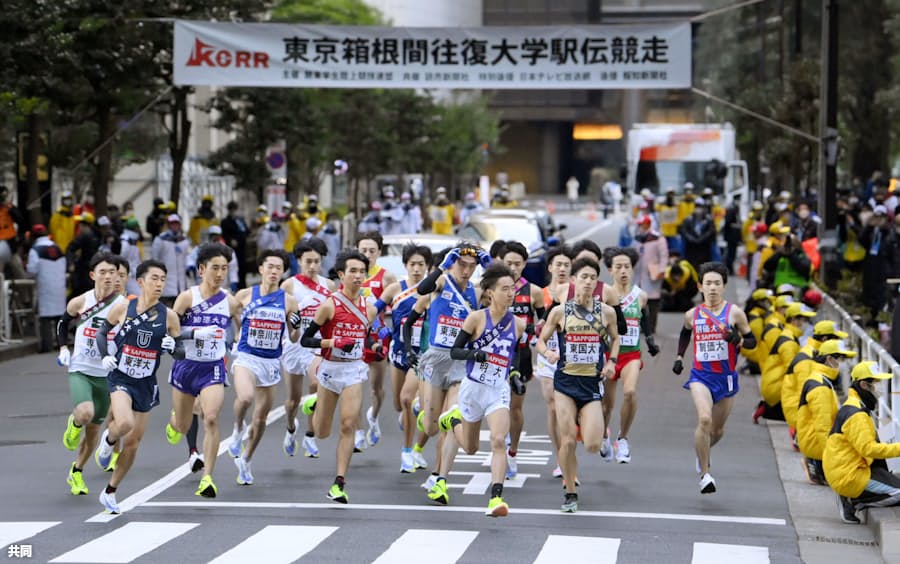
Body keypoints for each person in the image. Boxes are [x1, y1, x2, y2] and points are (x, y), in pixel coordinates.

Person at [92, 260, 182, 513]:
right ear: (141, 282)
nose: (159, 284)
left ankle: (110, 492)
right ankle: (108, 439)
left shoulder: (170, 316)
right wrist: (104, 356)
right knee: (124, 423)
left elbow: (181, 351)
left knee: (132, 444)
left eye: (163, 279)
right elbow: (102, 332)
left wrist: (173, 348)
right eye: (154, 278)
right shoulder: (124, 307)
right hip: (121, 376)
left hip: (146, 382)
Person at [403, 242, 489, 505]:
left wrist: (490, 263)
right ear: (453, 262)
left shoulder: (476, 292)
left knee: (451, 418)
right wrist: (410, 349)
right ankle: (422, 409)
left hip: (460, 362)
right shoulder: (441, 282)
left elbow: (500, 288)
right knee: (429, 427)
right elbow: (421, 291)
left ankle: (440, 479)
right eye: (462, 264)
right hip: (435, 359)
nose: (466, 270)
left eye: (471, 266)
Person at [440, 262, 526, 517]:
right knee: (470, 447)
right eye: (504, 289)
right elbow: (455, 351)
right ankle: (454, 419)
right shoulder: (476, 318)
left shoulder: (518, 324)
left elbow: (516, 355)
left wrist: (515, 374)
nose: (510, 294)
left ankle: (495, 499)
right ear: (490, 292)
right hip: (473, 388)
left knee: (499, 439)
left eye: (512, 289)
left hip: (497, 389)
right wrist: (474, 354)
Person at [536, 257, 620, 513]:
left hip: (591, 385)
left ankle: (586, 426)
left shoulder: (606, 312)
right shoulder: (560, 311)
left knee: (593, 444)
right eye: (583, 277)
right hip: (565, 383)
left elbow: (616, 339)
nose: (588, 282)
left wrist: (612, 362)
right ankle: (570, 491)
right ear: (574, 280)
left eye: (592, 278)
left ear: (597, 283)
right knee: (568, 441)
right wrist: (547, 353)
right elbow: (541, 340)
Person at [299, 249, 381, 504]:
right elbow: (306, 339)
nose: (358, 276)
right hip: (330, 369)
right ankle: (313, 405)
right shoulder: (329, 305)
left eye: (362, 272)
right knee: (322, 432)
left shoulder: (369, 310)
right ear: (341, 275)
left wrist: (375, 346)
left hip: (353, 371)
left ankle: (339, 483)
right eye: (353, 271)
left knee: (347, 424)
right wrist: (333, 341)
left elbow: (365, 336)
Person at [164, 243, 242, 498]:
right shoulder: (187, 298)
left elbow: (240, 327)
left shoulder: (229, 302)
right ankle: (174, 423)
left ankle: (207, 478)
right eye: (215, 268)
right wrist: (195, 333)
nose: (220, 274)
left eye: (224, 269)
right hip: (186, 366)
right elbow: (170, 330)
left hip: (213, 368)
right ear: (201, 269)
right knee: (184, 423)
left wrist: (238, 343)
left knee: (210, 417)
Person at [672, 262, 756, 494]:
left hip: (726, 379)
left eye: (717, 283)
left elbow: (752, 341)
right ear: (700, 286)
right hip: (701, 377)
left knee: (717, 431)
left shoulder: (735, 313)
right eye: (708, 283)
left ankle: (703, 453)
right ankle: (705, 474)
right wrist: (679, 356)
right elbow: (685, 333)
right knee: (705, 420)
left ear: (724, 286)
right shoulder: (692, 314)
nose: (712, 288)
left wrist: (736, 340)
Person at [226, 250, 301, 485]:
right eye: (269, 266)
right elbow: (232, 316)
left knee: (260, 419)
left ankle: (246, 460)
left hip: (270, 362)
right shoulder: (244, 295)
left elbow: (295, 337)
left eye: (278, 268)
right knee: (245, 398)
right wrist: (238, 332)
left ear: (283, 272)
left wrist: (296, 326)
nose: (273, 271)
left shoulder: (289, 301)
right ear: (261, 269)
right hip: (247, 357)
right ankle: (237, 428)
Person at [57, 253, 126, 496]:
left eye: (113, 273)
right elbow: (63, 323)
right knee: (85, 413)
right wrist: (64, 348)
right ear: (93, 275)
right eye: (103, 272)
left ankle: (76, 471)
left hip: (106, 375)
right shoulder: (81, 301)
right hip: (81, 370)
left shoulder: (123, 306)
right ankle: (74, 422)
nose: (108, 277)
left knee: (94, 432)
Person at [372, 243, 433, 473]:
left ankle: (408, 451)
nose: (416, 269)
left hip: (424, 355)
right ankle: (408, 420)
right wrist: (380, 330)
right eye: (412, 264)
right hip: (398, 352)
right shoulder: (395, 289)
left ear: (428, 267)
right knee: (400, 404)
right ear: (405, 265)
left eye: (421, 264)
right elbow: (373, 312)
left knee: (410, 400)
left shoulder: (435, 289)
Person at [601, 247, 660, 464]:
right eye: (618, 267)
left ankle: (622, 438)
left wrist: (650, 341)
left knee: (630, 392)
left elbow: (644, 319)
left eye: (627, 266)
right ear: (610, 270)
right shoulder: (606, 295)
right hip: (609, 355)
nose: (623, 271)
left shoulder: (640, 296)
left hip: (631, 355)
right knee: (606, 405)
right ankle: (604, 436)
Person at [824, 361, 900, 524]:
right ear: (864, 385)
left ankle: (851, 495)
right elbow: (868, 449)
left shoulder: (855, 405)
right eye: (876, 382)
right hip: (849, 474)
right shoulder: (857, 415)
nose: (880, 386)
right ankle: (852, 502)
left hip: (847, 467)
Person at [280, 238, 334, 460]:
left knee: (315, 383)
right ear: (299, 261)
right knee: (292, 400)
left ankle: (310, 434)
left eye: (317, 261)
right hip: (294, 345)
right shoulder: (289, 286)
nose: (312, 266)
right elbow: (283, 318)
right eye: (308, 261)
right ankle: (291, 427)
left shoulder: (329, 286)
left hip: (317, 345)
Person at [498, 240, 545, 478]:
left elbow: (544, 323)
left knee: (515, 408)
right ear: (500, 263)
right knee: (497, 406)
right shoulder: (491, 290)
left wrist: (536, 338)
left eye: (518, 264)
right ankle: (499, 447)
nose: (514, 268)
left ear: (525, 264)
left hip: (522, 355)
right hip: (496, 354)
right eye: (509, 264)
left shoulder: (534, 292)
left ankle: (512, 452)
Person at [535, 245, 574, 478]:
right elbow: (536, 325)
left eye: (566, 265)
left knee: (569, 409)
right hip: (549, 355)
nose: (561, 268)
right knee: (552, 406)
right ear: (549, 267)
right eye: (558, 264)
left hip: (575, 358)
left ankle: (570, 447)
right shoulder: (541, 294)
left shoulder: (578, 292)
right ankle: (561, 456)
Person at [357, 232, 398, 450]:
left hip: (376, 337)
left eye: (372, 251)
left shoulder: (386, 277)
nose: (368, 254)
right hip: (353, 336)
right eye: (363, 250)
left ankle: (373, 415)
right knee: (353, 387)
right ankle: (358, 431)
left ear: (379, 253)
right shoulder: (350, 275)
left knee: (376, 389)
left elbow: (396, 306)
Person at [797, 340, 857, 486]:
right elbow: (822, 427)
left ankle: (815, 462)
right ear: (829, 359)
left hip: (813, 438)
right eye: (841, 359)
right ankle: (815, 461)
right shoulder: (821, 388)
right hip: (815, 440)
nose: (844, 364)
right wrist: (833, 458)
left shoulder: (821, 378)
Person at [757, 303, 816, 423]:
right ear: (794, 320)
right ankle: (768, 409)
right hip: (776, 388)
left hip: (773, 385)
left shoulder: (789, 335)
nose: (807, 324)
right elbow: (794, 370)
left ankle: (768, 409)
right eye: (805, 320)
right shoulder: (789, 343)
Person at [27, 225, 66, 352]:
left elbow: (32, 270)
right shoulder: (58, 248)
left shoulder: (35, 250)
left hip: (45, 285)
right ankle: (61, 344)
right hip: (59, 285)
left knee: (45, 317)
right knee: (59, 316)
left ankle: (47, 346)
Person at [632, 215, 668, 334]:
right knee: (639, 301)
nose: (640, 227)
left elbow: (664, 256)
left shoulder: (657, 238)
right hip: (639, 274)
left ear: (647, 224)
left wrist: (662, 270)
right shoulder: (637, 238)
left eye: (642, 224)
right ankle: (642, 326)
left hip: (653, 273)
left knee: (652, 302)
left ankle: (651, 327)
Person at [151, 214, 190, 307]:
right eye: (172, 224)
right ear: (168, 225)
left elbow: (187, 257)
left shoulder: (184, 241)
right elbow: (154, 258)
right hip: (166, 285)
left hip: (181, 285)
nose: (175, 226)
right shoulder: (160, 240)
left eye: (177, 224)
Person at [67, 212, 101, 297]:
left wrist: (70, 263)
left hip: (83, 271)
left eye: (80, 224)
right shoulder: (97, 235)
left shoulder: (84, 236)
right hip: (93, 269)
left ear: (83, 225)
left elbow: (70, 248)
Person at [678, 198, 716, 271]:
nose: (698, 209)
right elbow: (684, 231)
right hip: (691, 248)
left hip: (704, 247)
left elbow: (711, 231)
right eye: (697, 206)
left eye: (700, 206)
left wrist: (702, 238)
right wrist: (692, 239)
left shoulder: (709, 219)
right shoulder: (687, 219)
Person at [221, 201, 250, 289]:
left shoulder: (240, 220)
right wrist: (230, 240)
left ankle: (243, 285)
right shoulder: (226, 221)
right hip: (233, 248)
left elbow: (247, 230)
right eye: (232, 210)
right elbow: (224, 234)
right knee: (234, 267)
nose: (233, 212)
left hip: (242, 246)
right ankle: (235, 285)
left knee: (242, 267)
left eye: (235, 210)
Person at [119, 218, 143, 296]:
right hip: (129, 275)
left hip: (135, 274)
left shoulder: (134, 240)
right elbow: (121, 258)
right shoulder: (125, 241)